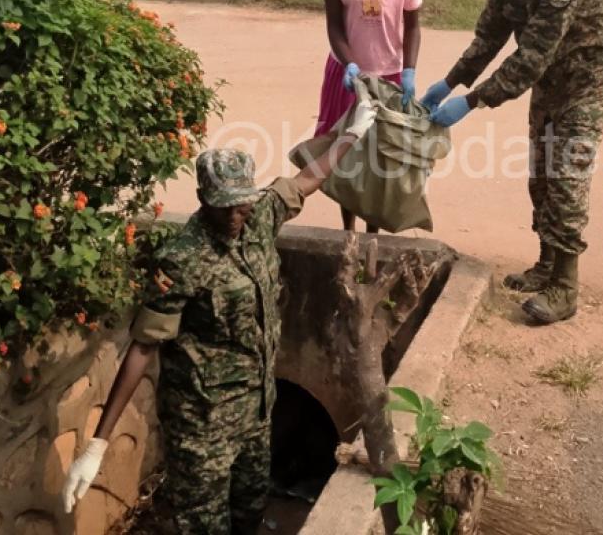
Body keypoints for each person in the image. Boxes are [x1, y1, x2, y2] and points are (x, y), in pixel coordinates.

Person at [60, 133, 378, 534]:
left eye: (240, 204)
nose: (233, 216)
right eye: (222, 206)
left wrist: (352, 131)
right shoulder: (181, 260)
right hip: (201, 426)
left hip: (257, 412)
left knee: (249, 513)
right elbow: (144, 347)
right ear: (202, 197)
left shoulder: (260, 216)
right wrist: (97, 445)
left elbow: (304, 180)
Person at [420, 0, 603, 325]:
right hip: (552, 72)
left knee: (567, 169)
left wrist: (472, 101)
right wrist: (450, 80)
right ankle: (546, 263)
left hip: (593, 72)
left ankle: (566, 287)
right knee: (540, 167)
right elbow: (492, 32)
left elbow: (531, 56)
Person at [317, 0, 423, 233]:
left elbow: (412, 26)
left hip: (389, 79)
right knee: (347, 159)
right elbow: (334, 27)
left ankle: (372, 236)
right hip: (348, 76)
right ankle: (348, 234)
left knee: (380, 160)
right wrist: (349, 64)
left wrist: (408, 70)